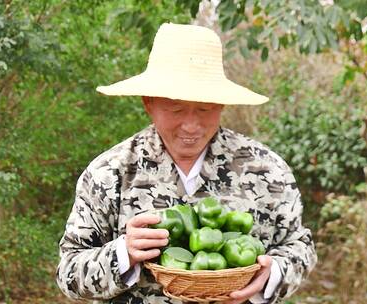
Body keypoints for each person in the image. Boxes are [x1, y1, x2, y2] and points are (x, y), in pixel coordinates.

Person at [56, 23, 317, 304]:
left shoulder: (266, 169)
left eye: (205, 109)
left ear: (221, 105)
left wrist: (272, 275)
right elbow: (69, 272)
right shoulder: (110, 173)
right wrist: (123, 254)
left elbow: (299, 246)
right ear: (149, 103)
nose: (191, 126)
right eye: (176, 109)